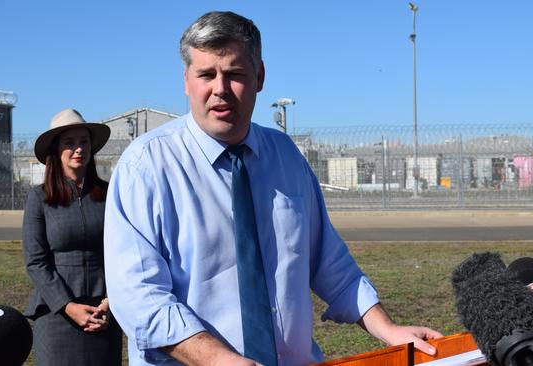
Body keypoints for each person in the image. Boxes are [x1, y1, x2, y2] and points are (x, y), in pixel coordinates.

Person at [104, 11, 442, 366]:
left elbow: (326, 258)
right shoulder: (145, 168)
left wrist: (386, 327)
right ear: (186, 80)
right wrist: (219, 359)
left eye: (234, 74)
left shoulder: (286, 157)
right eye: (206, 74)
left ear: (260, 76)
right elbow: (138, 295)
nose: (220, 89)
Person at [22, 108, 122, 366]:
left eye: (84, 142)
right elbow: (36, 261)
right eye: (70, 143)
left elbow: (123, 252)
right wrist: (67, 306)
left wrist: (112, 300)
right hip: (57, 315)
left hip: (104, 313)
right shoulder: (39, 198)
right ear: (56, 150)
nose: (79, 149)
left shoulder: (110, 195)